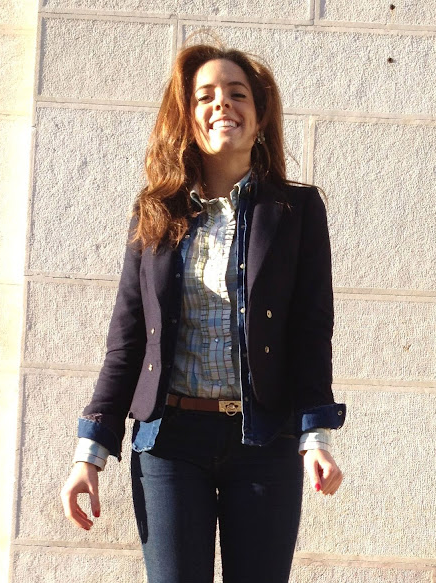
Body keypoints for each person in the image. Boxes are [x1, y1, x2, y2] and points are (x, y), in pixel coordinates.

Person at [60, 43, 346, 583]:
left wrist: (317, 438)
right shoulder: (155, 211)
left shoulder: (296, 210)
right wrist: (88, 454)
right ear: (188, 118)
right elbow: (127, 339)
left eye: (237, 94)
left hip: (263, 440)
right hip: (169, 440)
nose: (222, 105)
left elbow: (311, 333)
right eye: (205, 96)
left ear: (259, 116)